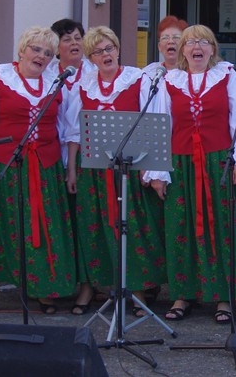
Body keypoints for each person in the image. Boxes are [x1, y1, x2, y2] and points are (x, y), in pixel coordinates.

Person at [150, 24, 236, 323]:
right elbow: (160, 125)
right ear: (183, 51)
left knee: (222, 228)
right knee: (182, 227)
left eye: (204, 41)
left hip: (219, 162)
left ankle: (225, 296)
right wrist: (158, 171)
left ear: (213, 49)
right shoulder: (169, 81)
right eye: (190, 42)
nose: (197, 47)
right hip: (182, 164)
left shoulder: (227, 76)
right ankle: (183, 294)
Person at [0, 26, 76, 315]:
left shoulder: (56, 84)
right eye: (36, 49)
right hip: (4, 165)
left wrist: (66, 167)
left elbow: (65, 130)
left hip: (45, 169)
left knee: (45, 228)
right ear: (22, 50)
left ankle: (43, 288)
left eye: (48, 53)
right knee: (0, 227)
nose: (41, 56)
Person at [63, 26, 167, 315]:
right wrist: (71, 170)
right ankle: (94, 287)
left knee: (133, 228)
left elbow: (154, 121)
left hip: (131, 169)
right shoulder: (83, 85)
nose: (105, 55)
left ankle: (138, 290)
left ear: (118, 50)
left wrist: (151, 170)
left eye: (109, 48)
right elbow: (73, 131)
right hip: (94, 171)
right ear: (91, 58)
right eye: (98, 52)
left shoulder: (138, 79)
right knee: (94, 227)